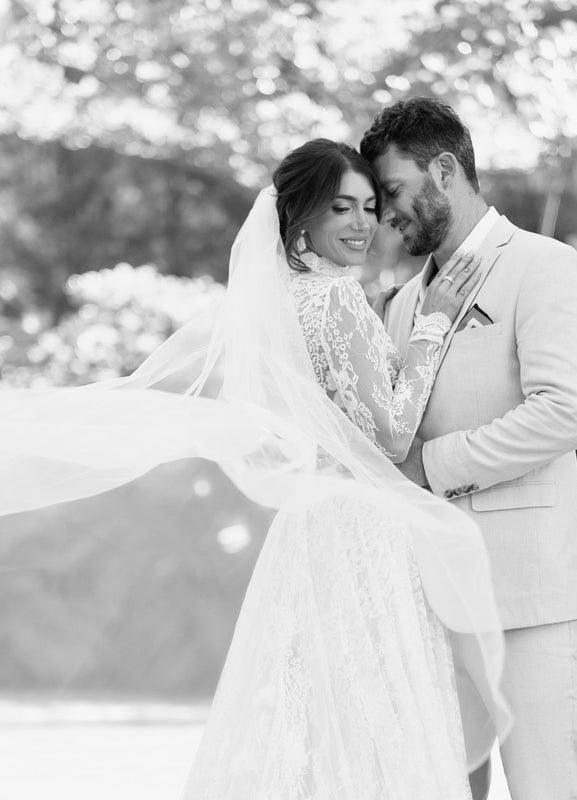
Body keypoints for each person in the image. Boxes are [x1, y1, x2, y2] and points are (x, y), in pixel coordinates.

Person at [0, 138, 511, 799]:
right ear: (301, 219)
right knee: (375, 709)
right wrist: (432, 329)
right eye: (341, 209)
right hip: (360, 529)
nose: (362, 223)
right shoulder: (334, 298)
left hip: (311, 527)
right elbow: (390, 433)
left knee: (318, 713)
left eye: (368, 207)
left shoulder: (287, 302)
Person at [362, 98, 577, 800]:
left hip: (525, 589)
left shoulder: (542, 265)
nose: (385, 215)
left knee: (545, 788)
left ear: (445, 170)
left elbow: (566, 413)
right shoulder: (403, 304)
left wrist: (432, 464)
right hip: (428, 596)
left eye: (394, 191)